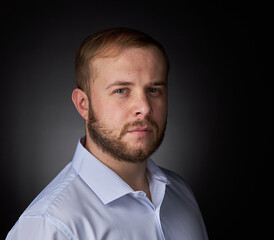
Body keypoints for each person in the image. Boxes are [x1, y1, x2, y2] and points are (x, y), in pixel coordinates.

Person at [6, 27, 208, 240]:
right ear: (83, 105)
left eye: (154, 90)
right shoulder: (49, 225)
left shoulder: (180, 192)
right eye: (121, 90)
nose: (145, 107)